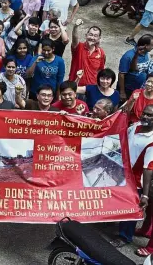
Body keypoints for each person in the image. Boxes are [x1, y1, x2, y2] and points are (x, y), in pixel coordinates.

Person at [111, 105, 153, 254]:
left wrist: (145, 194)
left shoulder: (152, 140)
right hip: (121, 172)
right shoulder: (135, 126)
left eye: (150, 115)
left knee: (131, 208)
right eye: (145, 114)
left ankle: (124, 237)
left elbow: (148, 168)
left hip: (136, 179)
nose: (146, 117)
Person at [69, 19, 105, 87]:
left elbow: (100, 71)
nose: (92, 38)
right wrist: (75, 27)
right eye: (90, 34)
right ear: (86, 35)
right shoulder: (78, 47)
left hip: (92, 88)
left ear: (99, 38)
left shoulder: (101, 52)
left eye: (95, 36)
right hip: (75, 87)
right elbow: (74, 38)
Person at [118, 34, 153, 103]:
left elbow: (138, 70)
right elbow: (121, 74)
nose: (152, 47)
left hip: (138, 88)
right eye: (152, 45)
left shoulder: (146, 53)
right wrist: (122, 92)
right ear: (146, 46)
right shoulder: (128, 56)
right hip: (128, 89)